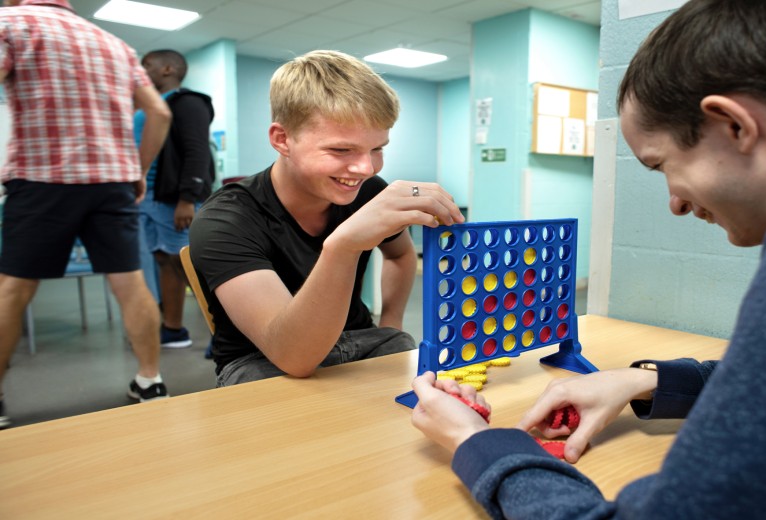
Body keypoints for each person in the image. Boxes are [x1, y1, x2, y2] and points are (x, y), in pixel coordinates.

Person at [411, 0, 766, 517]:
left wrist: (476, 445)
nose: (676, 202)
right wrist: (649, 379)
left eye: (661, 165)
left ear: (733, 125)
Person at [189, 50, 465, 386]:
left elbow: (401, 254)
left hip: (362, 339)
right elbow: (294, 357)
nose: (366, 169)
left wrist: (391, 322)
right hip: (263, 359)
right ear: (282, 139)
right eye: (341, 150)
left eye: (377, 148)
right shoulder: (226, 219)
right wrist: (344, 245)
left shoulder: (368, 190)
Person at [0, 0, 173, 428]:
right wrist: (137, 169)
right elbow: (159, 111)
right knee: (129, 282)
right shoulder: (113, 42)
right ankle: (150, 381)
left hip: (43, 177)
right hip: (112, 182)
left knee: (14, 288)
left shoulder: (10, 23)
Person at [136, 49, 215, 349]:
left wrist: (187, 199)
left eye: (147, 65)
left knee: (189, 265)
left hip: (174, 200)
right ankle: (173, 329)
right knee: (165, 261)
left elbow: (197, 151)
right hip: (148, 200)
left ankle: (223, 333)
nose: (142, 70)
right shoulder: (147, 106)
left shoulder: (188, 102)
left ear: (168, 69)